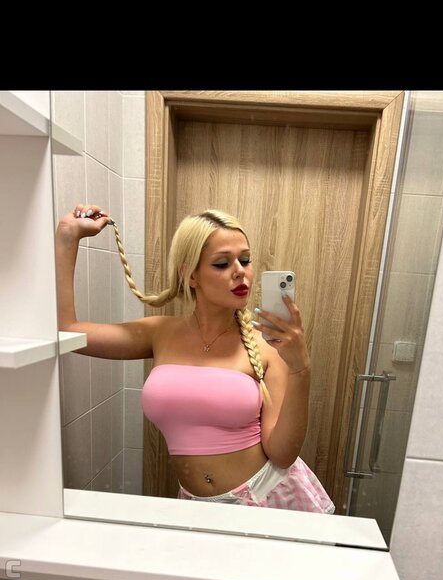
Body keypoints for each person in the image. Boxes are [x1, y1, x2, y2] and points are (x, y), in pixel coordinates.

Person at [56, 204, 335, 512]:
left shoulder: (268, 346)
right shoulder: (160, 333)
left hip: (267, 499)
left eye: (245, 260)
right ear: (190, 275)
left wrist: (301, 369)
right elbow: (68, 331)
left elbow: (282, 455)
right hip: (196, 506)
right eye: (222, 263)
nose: (240, 271)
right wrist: (67, 237)